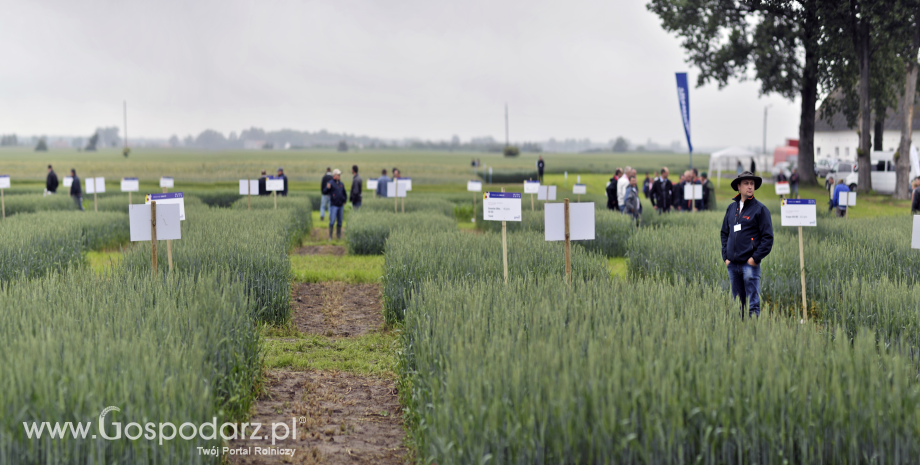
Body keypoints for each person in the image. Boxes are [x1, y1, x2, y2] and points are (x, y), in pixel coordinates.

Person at [720, 171, 773, 319]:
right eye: (746, 183)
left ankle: (754, 338)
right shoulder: (731, 208)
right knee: (737, 304)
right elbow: (724, 233)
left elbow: (768, 238)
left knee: (752, 304)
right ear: (739, 186)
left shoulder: (760, 209)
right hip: (732, 264)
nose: (750, 187)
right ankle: (740, 336)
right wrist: (726, 257)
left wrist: (754, 259)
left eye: (752, 184)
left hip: (749, 265)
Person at [326, 169, 347, 239]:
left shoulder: (341, 184)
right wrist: (327, 188)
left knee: (340, 222)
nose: (339, 176)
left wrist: (344, 200)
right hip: (334, 205)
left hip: (340, 205)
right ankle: (330, 237)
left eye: (340, 175)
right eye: (338, 175)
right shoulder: (330, 183)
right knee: (332, 221)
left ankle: (338, 236)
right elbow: (325, 191)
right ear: (335, 175)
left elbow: (344, 194)